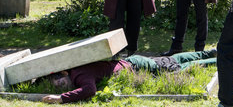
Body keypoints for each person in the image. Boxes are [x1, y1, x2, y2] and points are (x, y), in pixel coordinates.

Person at [42, 49, 218, 103]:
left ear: (64, 72)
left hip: (137, 66)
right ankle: (208, 53)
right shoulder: (78, 65)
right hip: (132, 61)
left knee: (176, 68)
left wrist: (61, 98)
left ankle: (218, 62)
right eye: (58, 86)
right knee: (171, 59)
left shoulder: (79, 74)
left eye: (59, 81)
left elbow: (89, 90)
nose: (60, 85)